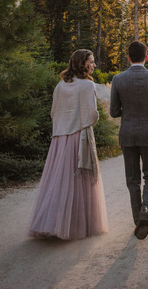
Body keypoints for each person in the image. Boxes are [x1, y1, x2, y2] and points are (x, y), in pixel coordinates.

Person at [28, 49, 109, 240]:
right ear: (83, 64)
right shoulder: (88, 86)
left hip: (59, 138)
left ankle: (50, 222)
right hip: (78, 136)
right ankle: (76, 225)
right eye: (91, 61)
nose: (94, 65)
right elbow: (91, 115)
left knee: (58, 180)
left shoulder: (60, 85)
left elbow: (53, 112)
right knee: (79, 179)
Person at [110, 41, 148, 239]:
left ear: (128, 58)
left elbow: (113, 111)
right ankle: (146, 207)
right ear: (146, 57)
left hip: (128, 134)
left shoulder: (118, 79)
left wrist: (130, 113)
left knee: (132, 180)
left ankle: (138, 220)